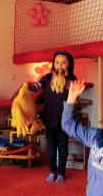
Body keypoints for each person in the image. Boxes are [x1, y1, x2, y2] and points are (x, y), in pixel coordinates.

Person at [27, 51, 76, 183]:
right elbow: (36, 86)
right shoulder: (47, 78)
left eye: (64, 62)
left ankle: (61, 173)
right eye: (57, 62)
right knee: (51, 146)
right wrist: (28, 89)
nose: (60, 64)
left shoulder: (72, 79)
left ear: (69, 64)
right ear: (53, 64)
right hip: (49, 118)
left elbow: (74, 95)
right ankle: (52, 171)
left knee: (63, 146)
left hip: (65, 120)